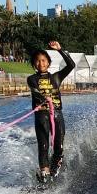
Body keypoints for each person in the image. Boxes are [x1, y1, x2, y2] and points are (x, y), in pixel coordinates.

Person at [27, 41, 75, 183]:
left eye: (43, 60)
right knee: (43, 146)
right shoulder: (32, 79)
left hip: (57, 115)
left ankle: (53, 171)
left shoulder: (56, 77)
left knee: (59, 147)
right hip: (41, 116)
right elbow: (35, 92)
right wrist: (44, 98)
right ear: (34, 64)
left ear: (48, 62)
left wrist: (60, 50)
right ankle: (44, 174)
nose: (40, 63)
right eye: (37, 61)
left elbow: (71, 65)